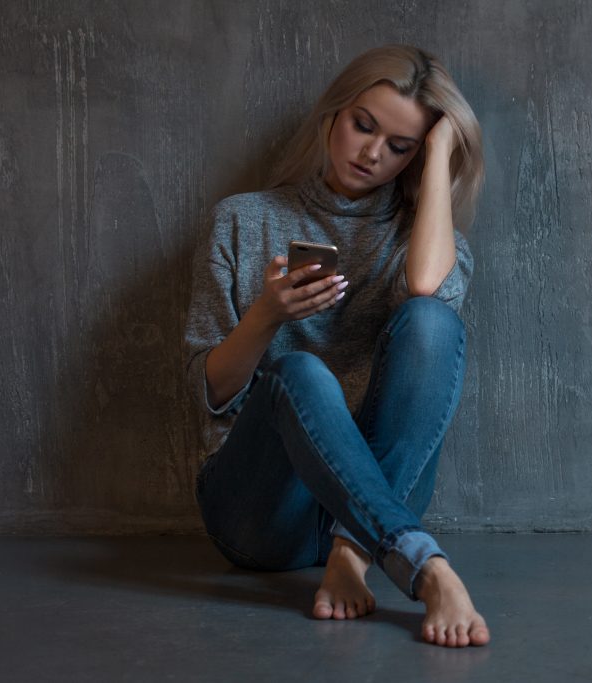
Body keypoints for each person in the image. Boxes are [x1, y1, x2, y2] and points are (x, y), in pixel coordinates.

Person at [184, 44, 490, 648]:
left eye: (400, 146)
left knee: (432, 321)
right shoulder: (242, 221)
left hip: (370, 509)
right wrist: (267, 316)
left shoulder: (429, 245)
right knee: (300, 371)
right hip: (261, 514)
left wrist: (439, 156)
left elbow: (427, 287)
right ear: (333, 114)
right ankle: (422, 565)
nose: (372, 153)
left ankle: (354, 550)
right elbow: (209, 391)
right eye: (363, 125)